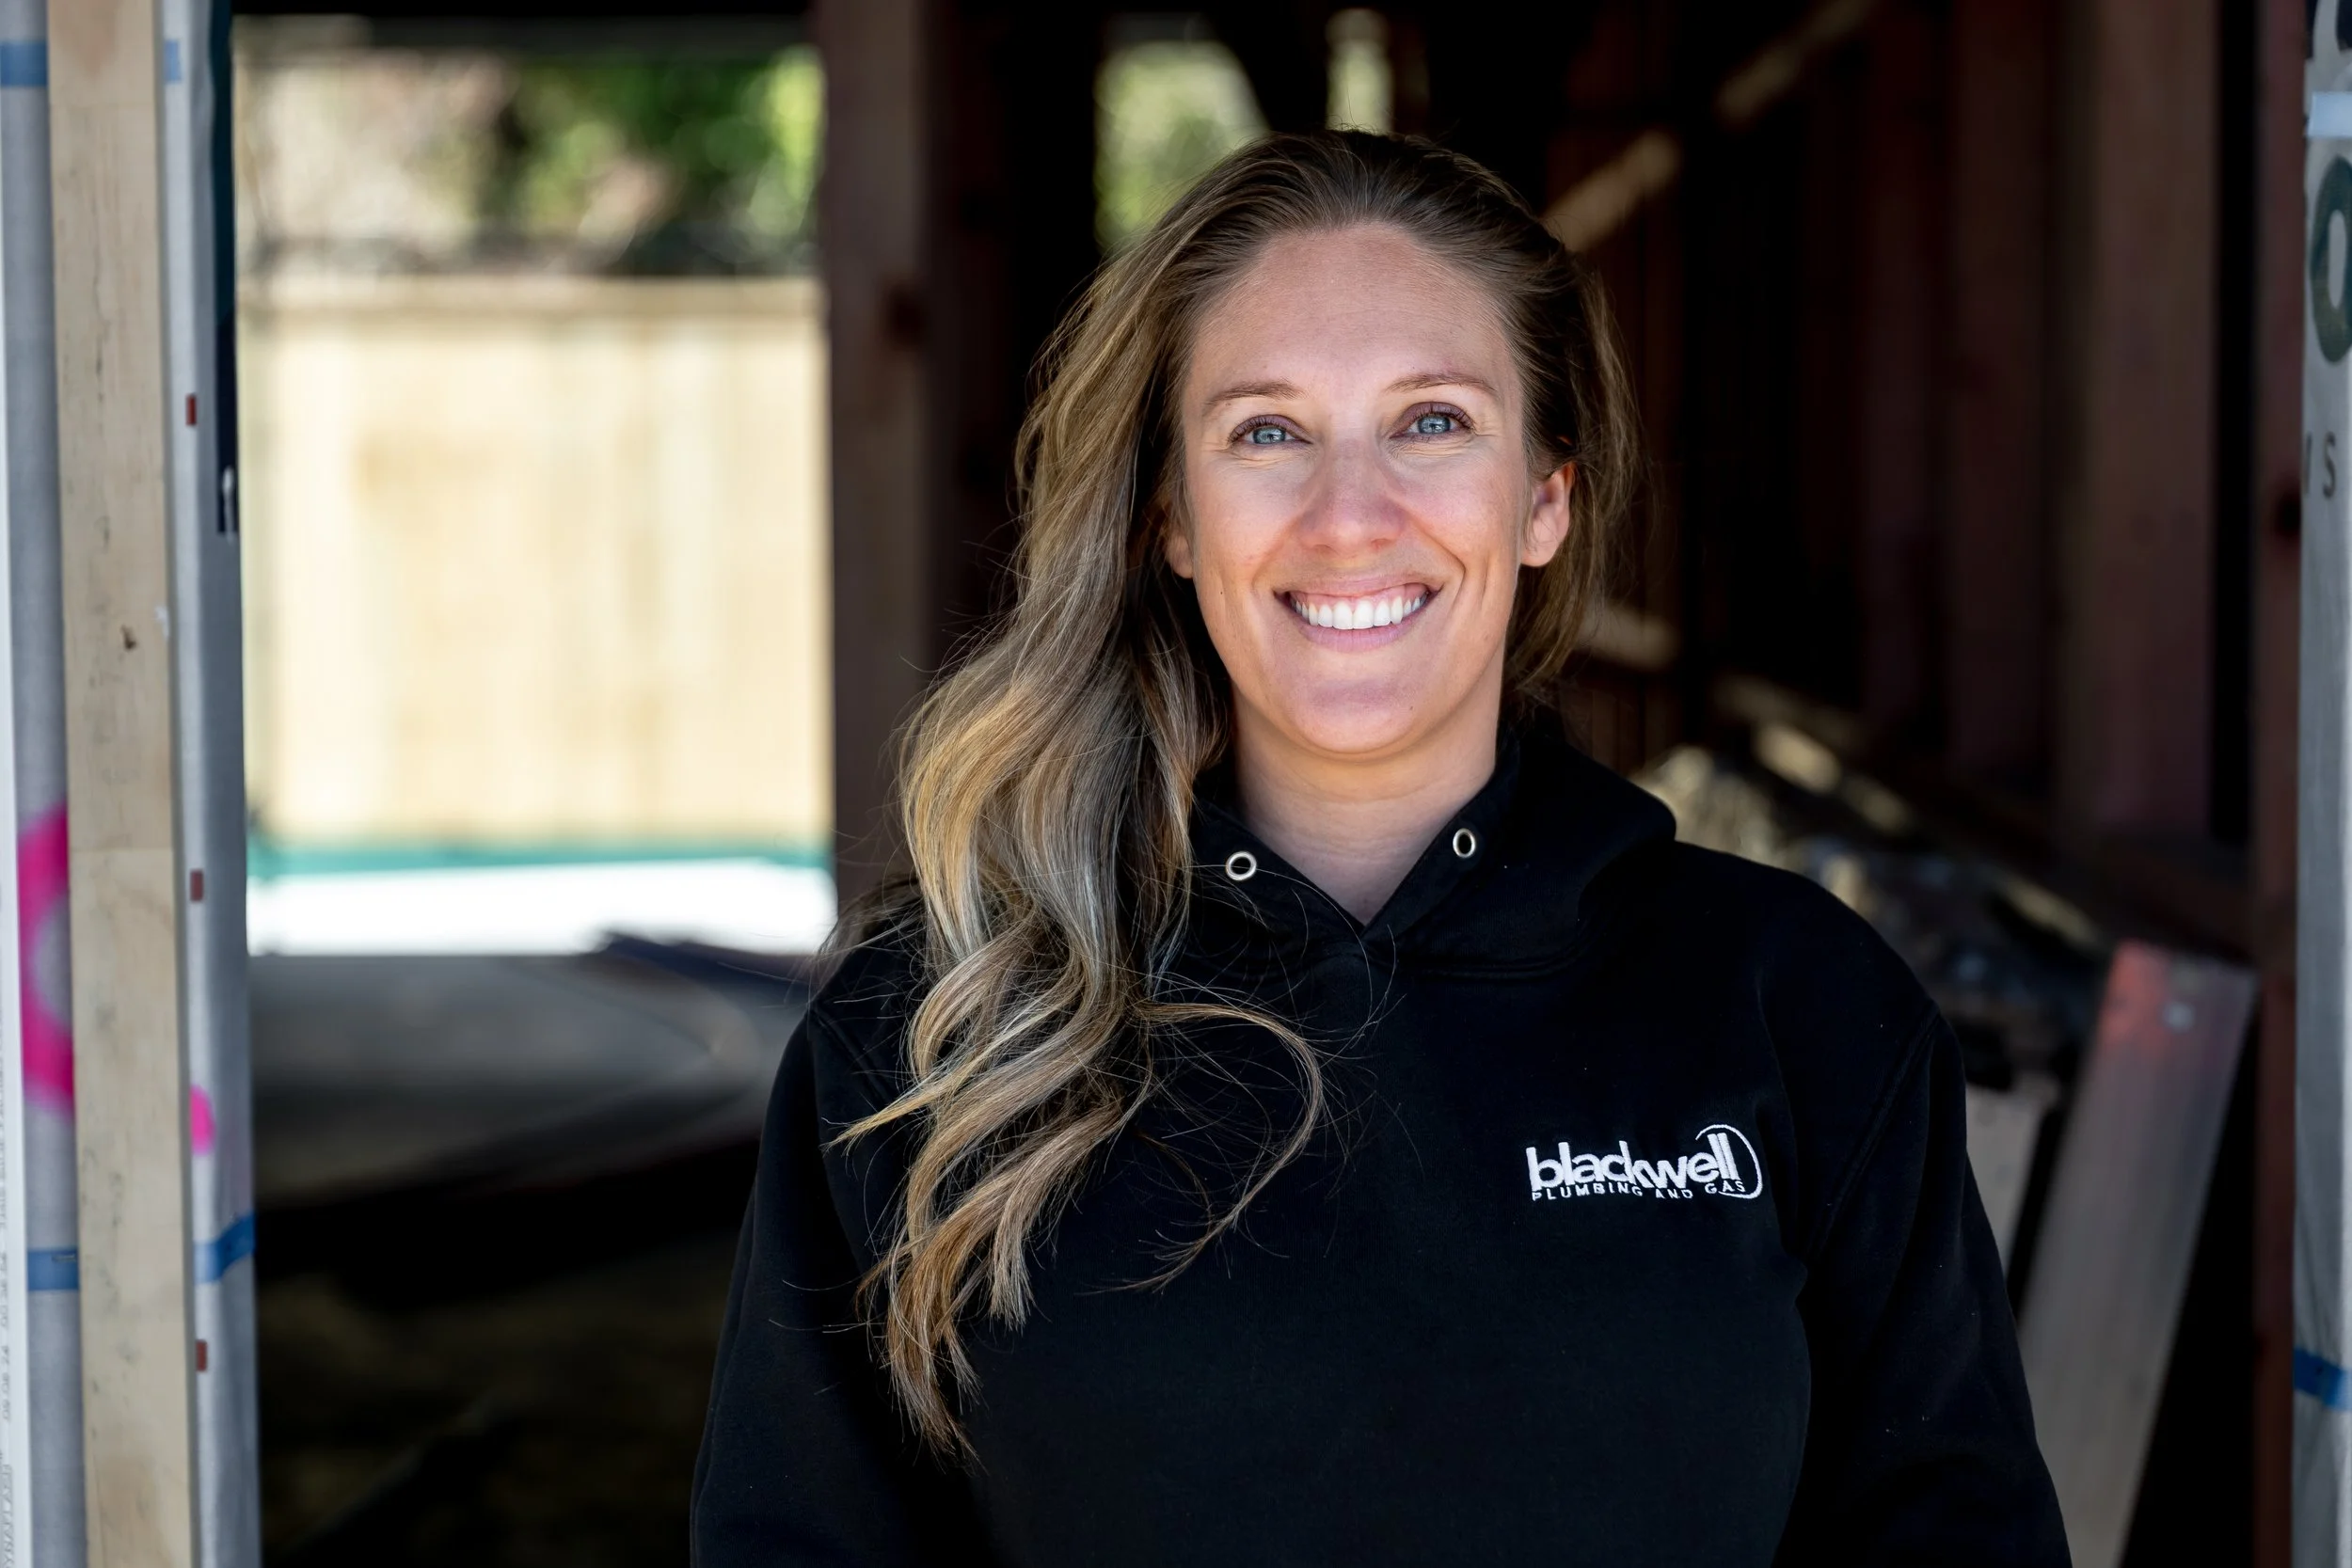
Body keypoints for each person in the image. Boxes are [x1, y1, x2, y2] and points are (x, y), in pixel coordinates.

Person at [692, 131, 2067, 1566]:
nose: (1350, 518)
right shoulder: (938, 1030)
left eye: (1432, 423)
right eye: (1267, 431)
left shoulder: (1799, 1007)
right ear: (1171, 516)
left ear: (1546, 498)